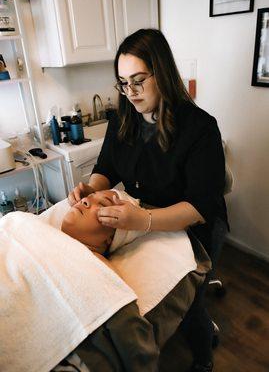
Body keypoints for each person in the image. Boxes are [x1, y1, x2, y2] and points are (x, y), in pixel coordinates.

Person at [68, 28, 228, 372]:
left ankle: (203, 358)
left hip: (195, 225)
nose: (131, 92)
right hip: (143, 219)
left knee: (190, 306)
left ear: (163, 73)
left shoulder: (200, 128)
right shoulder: (122, 118)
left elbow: (199, 207)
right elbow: (105, 168)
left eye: (139, 80)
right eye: (123, 83)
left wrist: (144, 221)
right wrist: (90, 189)